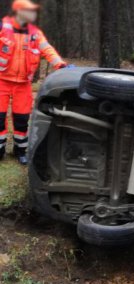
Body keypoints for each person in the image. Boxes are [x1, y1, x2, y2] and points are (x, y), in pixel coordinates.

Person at [0, 0, 68, 165]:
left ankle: (20, 150)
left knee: (22, 119)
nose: (32, 14)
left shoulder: (35, 33)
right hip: (1, 81)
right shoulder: (2, 26)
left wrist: (60, 64)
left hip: (23, 84)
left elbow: (47, 49)